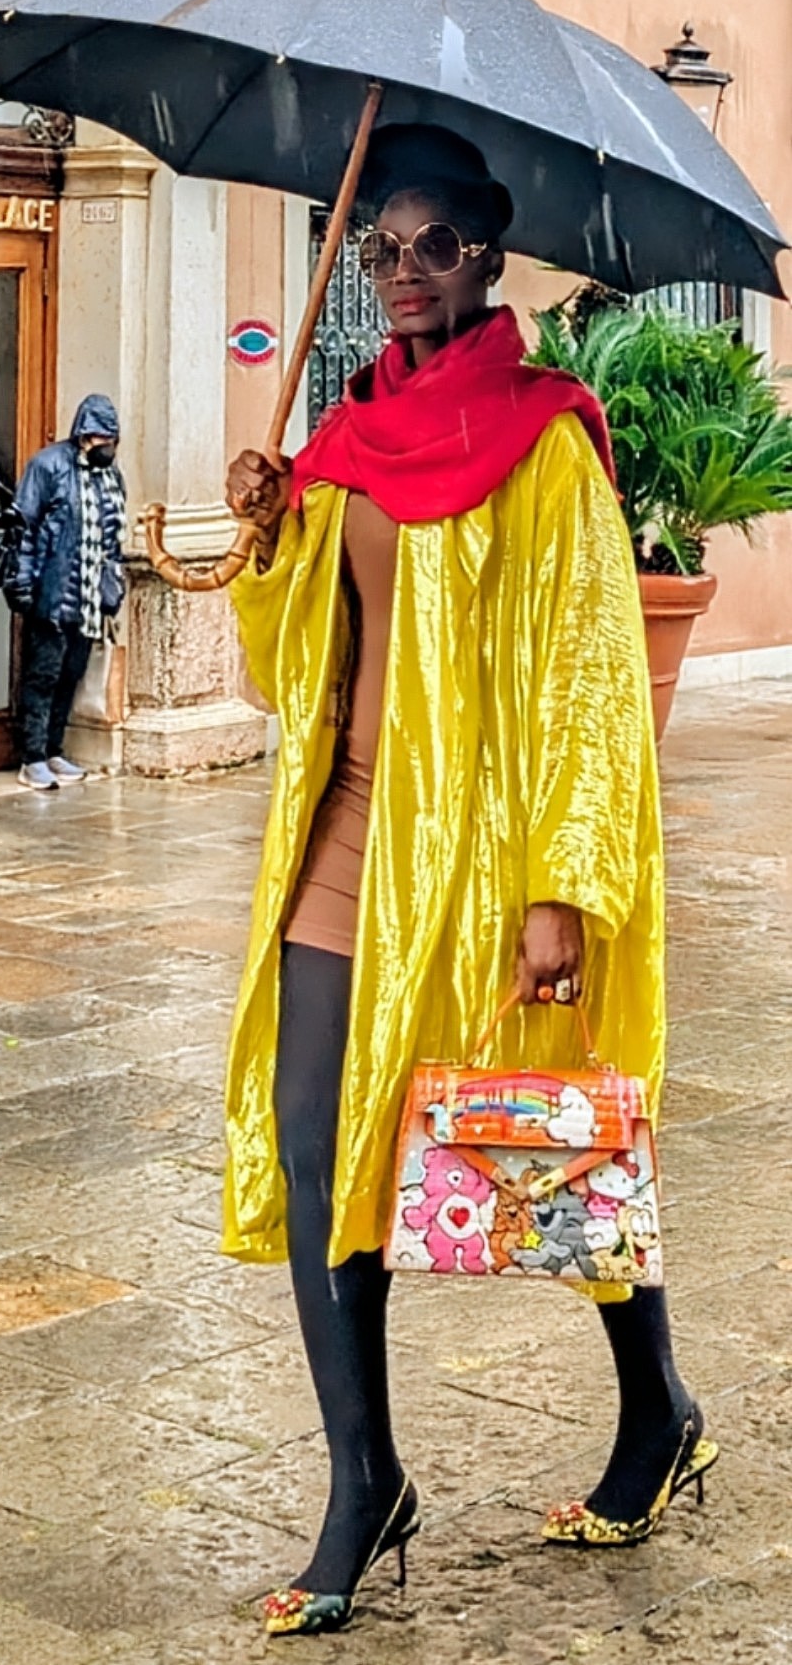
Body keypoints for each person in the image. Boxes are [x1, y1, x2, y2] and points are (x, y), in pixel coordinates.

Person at [221, 125, 709, 1637]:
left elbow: (584, 675)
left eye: (434, 244)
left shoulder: (545, 434)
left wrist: (561, 883)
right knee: (317, 1159)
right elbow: (283, 667)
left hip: (485, 865)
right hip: (340, 844)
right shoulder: (349, 433)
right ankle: (363, 1483)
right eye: (381, 247)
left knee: (539, 1155)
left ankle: (656, 1408)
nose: (403, 270)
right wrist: (264, 537)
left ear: (492, 257)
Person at [10, 395, 126, 791]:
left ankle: (54, 748)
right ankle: (32, 756)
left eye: (108, 437)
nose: (101, 444)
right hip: (51, 591)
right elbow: (23, 527)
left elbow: (113, 543)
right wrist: (22, 583)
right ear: (80, 435)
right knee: (42, 676)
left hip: (90, 600)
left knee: (70, 675)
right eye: (94, 437)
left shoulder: (113, 478)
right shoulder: (47, 466)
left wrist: (114, 589)